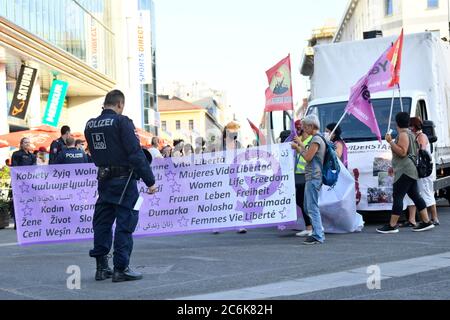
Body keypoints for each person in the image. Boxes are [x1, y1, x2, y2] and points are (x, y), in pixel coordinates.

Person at [84, 90, 157, 283]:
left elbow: (95, 154)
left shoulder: (90, 125)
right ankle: (120, 268)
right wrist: (150, 181)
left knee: (102, 223)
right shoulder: (122, 121)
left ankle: (101, 268)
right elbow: (135, 153)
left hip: (104, 180)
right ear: (120, 105)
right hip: (125, 181)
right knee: (126, 223)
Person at [376, 112, 435, 234]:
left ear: (396, 122)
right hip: (410, 169)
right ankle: (426, 221)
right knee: (415, 196)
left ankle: (392, 225)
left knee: (398, 196)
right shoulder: (411, 133)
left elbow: (402, 152)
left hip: (405, 170)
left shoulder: (403, 134)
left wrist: (390, 142)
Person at [291, 115, 326, 245]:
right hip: (312, 176)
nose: (304, 130)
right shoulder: (318, 138)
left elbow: (308, 157)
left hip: (313, 176)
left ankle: (318, 235)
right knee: (308, 206)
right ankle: (318, 231)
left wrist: (298, 149)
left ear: (312, 126)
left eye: (306, 127)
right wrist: (299, 146)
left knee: (311, 207)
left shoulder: (316, 139)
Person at [402, 117, 439, 227]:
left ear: (413, 126)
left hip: (423, 171)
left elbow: (421, 150)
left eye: (410, 125)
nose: (408, 127)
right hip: (415, 169)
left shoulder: (421, 136)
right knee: (413, 193)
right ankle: (412, 219)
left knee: (426, 192)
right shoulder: (414, 136)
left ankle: (435, 217)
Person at [292, 120, 314, 237]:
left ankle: (312, 227)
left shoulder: (311, 140)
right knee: (300, 201)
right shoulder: (298, 140)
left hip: (308, 175)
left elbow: (308, 155)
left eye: (299, 128)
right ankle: (309, 227)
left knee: (307, 202)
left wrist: (299, 144)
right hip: (298, 176)